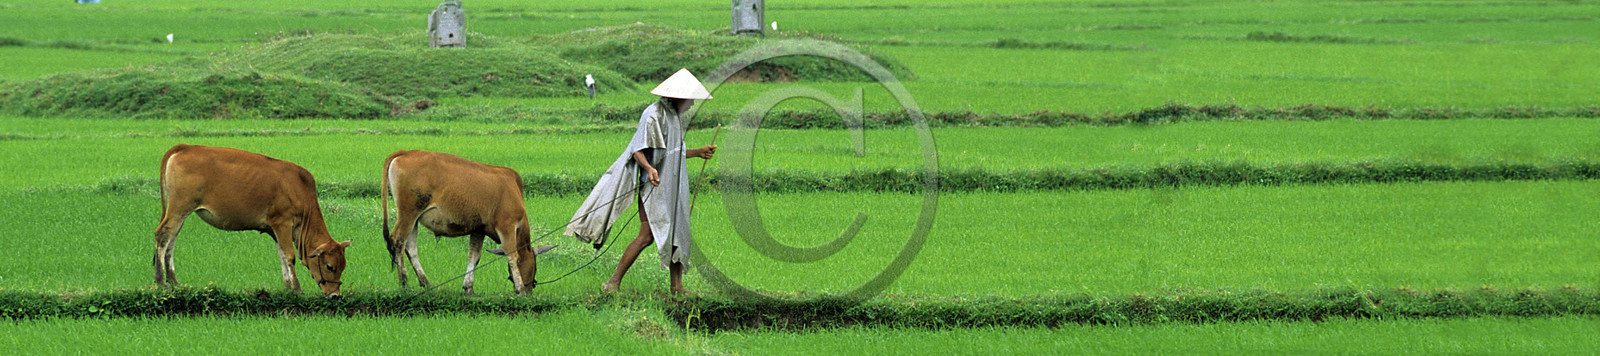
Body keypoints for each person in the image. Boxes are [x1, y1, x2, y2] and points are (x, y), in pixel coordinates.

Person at [566, 68, 716, 294]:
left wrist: (699, 152)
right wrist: (649, 169)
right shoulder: (653, 115)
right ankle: (613, 282)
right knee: (646, 236)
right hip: (653, 187)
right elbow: (637, 149)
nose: (693, 104)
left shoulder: (674, 117)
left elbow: (673, 152)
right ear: (678, 97)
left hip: (673, 187)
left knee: (677, 234)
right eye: (691, 99)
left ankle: (677, 287)